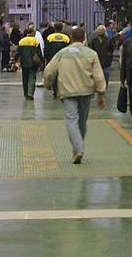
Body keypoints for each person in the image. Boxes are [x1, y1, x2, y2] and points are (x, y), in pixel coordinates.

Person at [42, 27, 107, 164]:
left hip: (67, 92)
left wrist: (48, 83)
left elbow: (49, 71)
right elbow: (99, 75)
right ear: (84, 38)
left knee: (72, 120)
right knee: (82, 121)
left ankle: (78, 150)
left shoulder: (62, 53)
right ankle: (78, 148)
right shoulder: (91, 54)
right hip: (86, 91)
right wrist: (101, 93)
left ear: (71, 38)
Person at [16, 32, 42, 99]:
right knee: (32, 78)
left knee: (25, 78)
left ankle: (25, 93)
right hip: (33, 63)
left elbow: (17, 52)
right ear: (33, 34)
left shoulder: (21, 41)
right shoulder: (35, 41)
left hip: (24, 62)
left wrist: (15, 60)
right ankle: (30, 93)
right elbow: (39, 52)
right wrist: (41, 61)